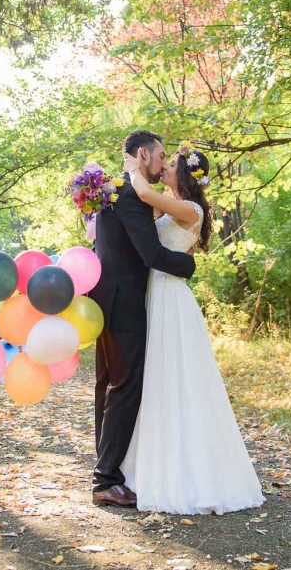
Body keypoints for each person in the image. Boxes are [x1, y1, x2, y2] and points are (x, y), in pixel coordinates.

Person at [119, 140, 265, 515]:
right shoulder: (175, 205)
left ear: (184, 175)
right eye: (163, 160)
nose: (165, 165)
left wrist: (133, 166)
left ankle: (188, 474)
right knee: (160, 379)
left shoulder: (188, 208)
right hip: (159, 291)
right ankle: (158, 463)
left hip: (171, 297)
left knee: (176, 377)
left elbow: (142, 192)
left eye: (172, 163)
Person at [86, 130, 195, 508]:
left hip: (103, 301)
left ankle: (107, 470)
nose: (164, 163)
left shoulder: (109, 191)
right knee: (125, 388)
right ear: (144, 154)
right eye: (161, 155)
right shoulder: (130, 195)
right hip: (126, 303)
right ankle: (106, 481)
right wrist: (189, 265)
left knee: (108, 386)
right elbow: (151, 254)